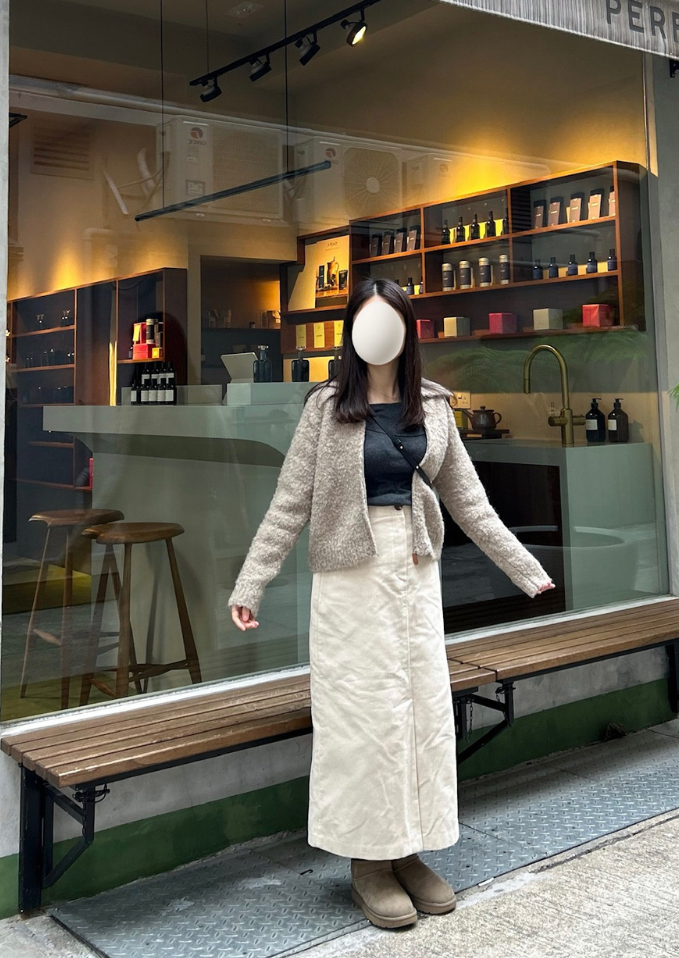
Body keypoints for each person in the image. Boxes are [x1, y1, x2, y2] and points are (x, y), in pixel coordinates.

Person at [229, 277, 555, 929]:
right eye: (368, 322)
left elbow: (468, 500)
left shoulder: (432, 405)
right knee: (362, 719)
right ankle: (368, 863)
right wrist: (251, 581)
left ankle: (408, 850)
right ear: (352, 332)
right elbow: (291, 502)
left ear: (408, 332)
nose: (379, 334)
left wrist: (525, 569)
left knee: (420, 715)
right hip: (350, 581)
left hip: (415, 574)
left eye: (390, 322)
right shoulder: (326, 408)